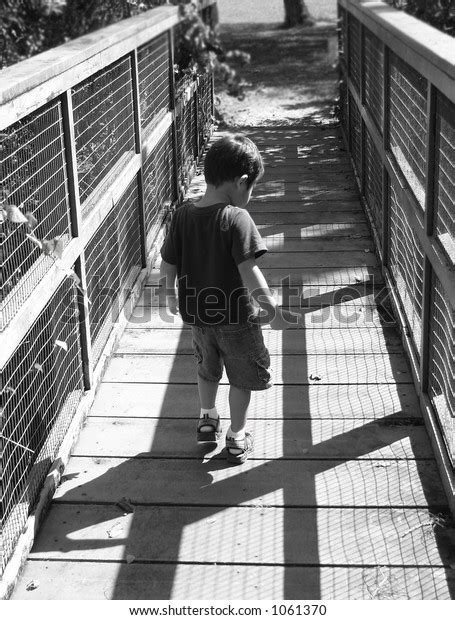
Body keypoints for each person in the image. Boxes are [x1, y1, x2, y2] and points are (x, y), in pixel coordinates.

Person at [159, 134, 301, 464]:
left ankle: (207, 417)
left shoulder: (181, 215)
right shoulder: (237, 218)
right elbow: (250, 272)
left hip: (197, 317)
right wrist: (272, 309)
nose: (250, 195)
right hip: (237, 320)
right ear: (240, 182)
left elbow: (167, 264)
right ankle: (236, 438)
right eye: (252, 188)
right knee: (242, 378)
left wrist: (168, 297)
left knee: (206, 369)